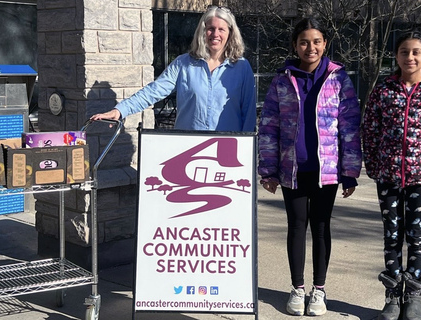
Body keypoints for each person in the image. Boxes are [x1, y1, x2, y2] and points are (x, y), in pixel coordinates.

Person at [258, 17, 362, 316]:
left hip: (326, 170)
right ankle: (297, 288)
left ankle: (319, 291)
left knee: (320, 227)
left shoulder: (339, 78)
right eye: (304, 42)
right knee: (296, 226)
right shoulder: (282, 79)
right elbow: (269, 126)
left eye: (316, 41)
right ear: (295, 45)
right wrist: (268, 169)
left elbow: (350, 126)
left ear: (325, 43)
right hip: (292, 168)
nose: (310, 47)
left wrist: (350, 171)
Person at [362, 31, 421, 320]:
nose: (410, 57)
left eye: (416, 52)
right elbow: (370, 129)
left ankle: (413, 295)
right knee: (392, 236)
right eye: (404, 52)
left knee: (417, 237)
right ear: (397, 56)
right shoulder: (384, 91)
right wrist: (374, 165)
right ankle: (392, 295)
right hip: (388, 176)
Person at [90, 6, 256, 132]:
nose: (215, 34)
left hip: (227, 150)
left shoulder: (242, 67)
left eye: (221, 29)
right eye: (210, 28)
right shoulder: (183, 64)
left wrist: (248, 150)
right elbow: (153, 91)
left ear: (230, 33)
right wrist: (120, 110)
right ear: (202, 31)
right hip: (188, 148)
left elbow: (248, 114)